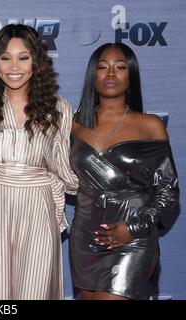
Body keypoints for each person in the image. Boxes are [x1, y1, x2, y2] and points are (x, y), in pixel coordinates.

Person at [0, 24, 78, 299]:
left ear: (36, 62)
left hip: (38, 203)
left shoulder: (58, 107)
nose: (14, 66)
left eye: (23, 57)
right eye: (5, 58)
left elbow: (62, 163)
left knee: (37, 287)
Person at [69, 42, 179, 300]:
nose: (110, 74)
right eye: (102, 67)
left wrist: (133, 227)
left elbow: (168, 191)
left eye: (119, 67)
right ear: (92, 74)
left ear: (131, 73)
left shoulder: (150, 126)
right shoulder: (73, 124)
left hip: (132, 239)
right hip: (85, 236)